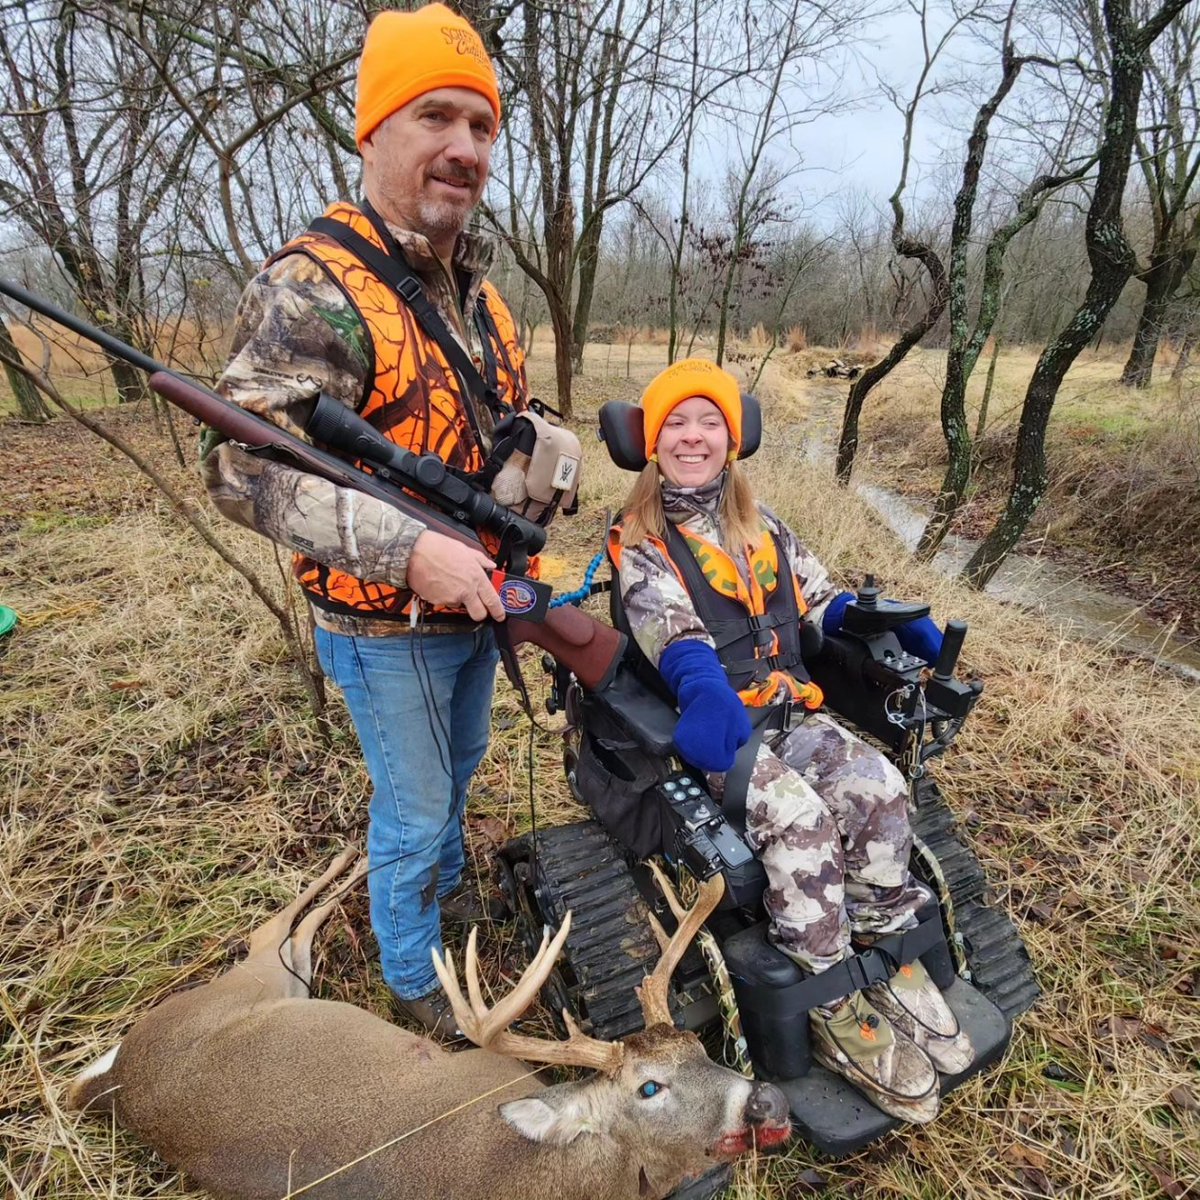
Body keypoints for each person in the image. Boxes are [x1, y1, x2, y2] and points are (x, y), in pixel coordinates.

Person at [203, 5, 534, 1036]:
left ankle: (442, 903)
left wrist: (536, 452)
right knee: (415, 808)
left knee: (459, 775)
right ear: (374, 132)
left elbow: (491, 424)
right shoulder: (315, 286)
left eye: (481, 128)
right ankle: (415, 988)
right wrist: (407, 550)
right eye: (435, 116)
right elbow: (236, 468)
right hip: (384, 627)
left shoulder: (481, 298)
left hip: (475, 602)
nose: (463, 149)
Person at [608, 358, 974, 1123]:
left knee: (879, 786)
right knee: (799, 819)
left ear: (733, 437)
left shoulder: (761, 523)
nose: (693, 436)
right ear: (649, 439)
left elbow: (821, 595)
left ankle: (885, 944)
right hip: (713, 732)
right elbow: (670, 630)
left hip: (787, 714)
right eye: (676, 422)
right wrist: (703, 688)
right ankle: (830, 990)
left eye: (708, 421)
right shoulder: (641, 542)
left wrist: (886, 620)